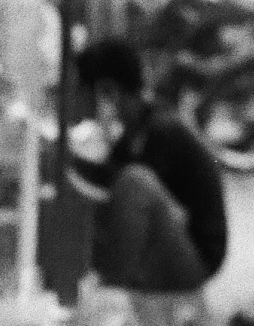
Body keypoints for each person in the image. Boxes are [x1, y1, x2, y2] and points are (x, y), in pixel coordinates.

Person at [68, 38, 228, 297]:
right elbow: (108, 178)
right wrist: (68, 160)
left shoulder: (163, 130)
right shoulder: (136, 129)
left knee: (134, 184)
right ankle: (102, 287)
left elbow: (129, 188)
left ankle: (110, 294)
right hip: (169, 242)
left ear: (107, 91)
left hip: (194, 258)